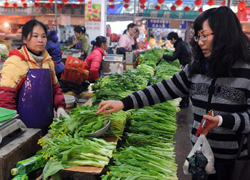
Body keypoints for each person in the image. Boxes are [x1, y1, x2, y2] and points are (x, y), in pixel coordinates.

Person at [97, 6, 250, 180]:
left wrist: (222, 121)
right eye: (198, 36)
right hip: (199, 157)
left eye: (205, 35)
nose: (200, 42)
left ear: (225, 34)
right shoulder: (196, 68)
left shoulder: (246, 71)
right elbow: (164, 89)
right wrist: (124, 103)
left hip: (231, 163)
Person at [0, 19, 69, 135]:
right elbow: (6, 96)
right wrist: (12, 125)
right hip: (23, 127)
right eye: (35, 36)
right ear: (25, 39)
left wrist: (60, 106)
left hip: (46, 122)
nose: (40, 40)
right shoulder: (16, 61)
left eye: (43, 36)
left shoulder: (47, 61)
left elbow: (55, 88)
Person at [161, 32, 193, 108]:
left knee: (183, 84)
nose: (171, 43)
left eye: (170, 41)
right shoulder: (182, 43)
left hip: (187, 65)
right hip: (189, 64)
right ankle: (185, 103)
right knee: (186, 84)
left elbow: (173, 58)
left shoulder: (179, 45)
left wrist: (163, 56)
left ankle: (183, 104)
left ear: (173, 39)